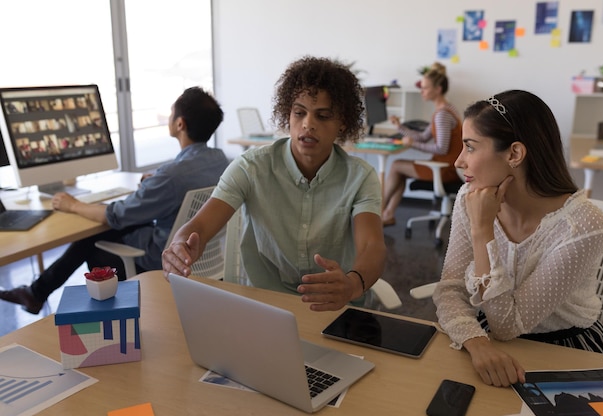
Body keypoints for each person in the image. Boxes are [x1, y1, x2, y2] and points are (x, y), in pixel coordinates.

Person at [162, 56, 386, 312]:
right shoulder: (251, 167)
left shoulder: (360, 177)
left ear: (342, 123)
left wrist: (352, 284)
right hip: (266, 306)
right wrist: (181, 246)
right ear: (287, 115)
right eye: (299, 113)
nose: (308, 124)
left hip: (334, 306)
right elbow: (199, 227)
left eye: (323, 116)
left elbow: (373, 247)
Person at [433, 90, 603, 388]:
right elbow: (450, 289)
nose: (459, 162)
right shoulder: (470, 197)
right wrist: (477, 344)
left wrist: (482, 231)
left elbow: (507, 325)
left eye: (471, 147)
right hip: (487, 335)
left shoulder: (582, 224)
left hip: (566, 349)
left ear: (514, 154)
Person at [0, 87, 230, 314]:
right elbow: (176, 185)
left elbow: (116, 215)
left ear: (180, 124)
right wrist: (154, 184)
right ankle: (35, 292)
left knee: (94, 237)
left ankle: (101, 312)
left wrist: (73, 205)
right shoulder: (221, 161)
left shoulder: (171, 176)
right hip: (204, 254)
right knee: (113, 228)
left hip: (164, 257)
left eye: (171, 114)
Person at [381, 62, 462, 226]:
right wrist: (400, 127)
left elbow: (441, 148)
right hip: (445, 165)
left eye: (424, 88)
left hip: (445, 169)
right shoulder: (446, 108)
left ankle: (376, 214)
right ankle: (387, 214)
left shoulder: (442, 115)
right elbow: (424, 137)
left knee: (397, 165)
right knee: (399, 168)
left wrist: (411, 144)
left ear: (437, 89)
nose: (421, 92)